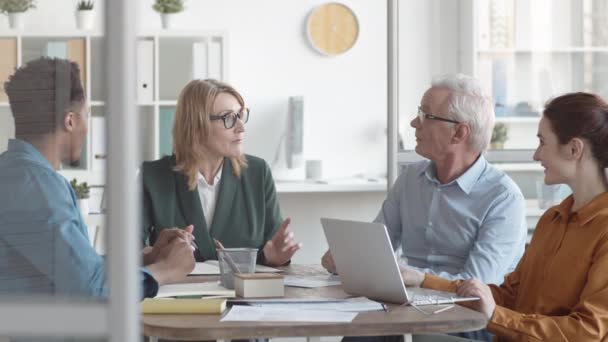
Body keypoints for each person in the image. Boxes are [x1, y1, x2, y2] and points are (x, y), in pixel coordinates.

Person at [322, 74, 527, 341]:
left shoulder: (503, 197)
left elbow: (475, 287)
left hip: (465, 319)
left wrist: (418, 277)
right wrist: (349, 260)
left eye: (426, 115)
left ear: (459, 132)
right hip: (404, 308)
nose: (413, 123)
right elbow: (376, 247)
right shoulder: (410, 179)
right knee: (361, 334)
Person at [402, 92, 608, 341]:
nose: (536, 155)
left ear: (574, 149)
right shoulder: (553, 219)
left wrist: (495, 316)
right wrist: (423, 280)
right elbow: (511, 296)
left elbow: (588, 332)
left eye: (542, 142)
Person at [0, 57, 195, 298]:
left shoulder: (17, 172)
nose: (88, 127)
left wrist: (148, 258)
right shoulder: (35, 185)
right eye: (87, 115)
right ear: (70, 121)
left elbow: (76, 269)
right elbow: (91, 290)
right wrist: (166, 270)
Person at [142, 79, 300, 266]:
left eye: (241, 115)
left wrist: (274, 257)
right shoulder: (152, 177)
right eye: (229, 118)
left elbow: (273, 250)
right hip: (177, 293)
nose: (241, 127)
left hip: (244, 294)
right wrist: (155, 254)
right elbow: (127, 254)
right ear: (196, 126)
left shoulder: (258, 173)